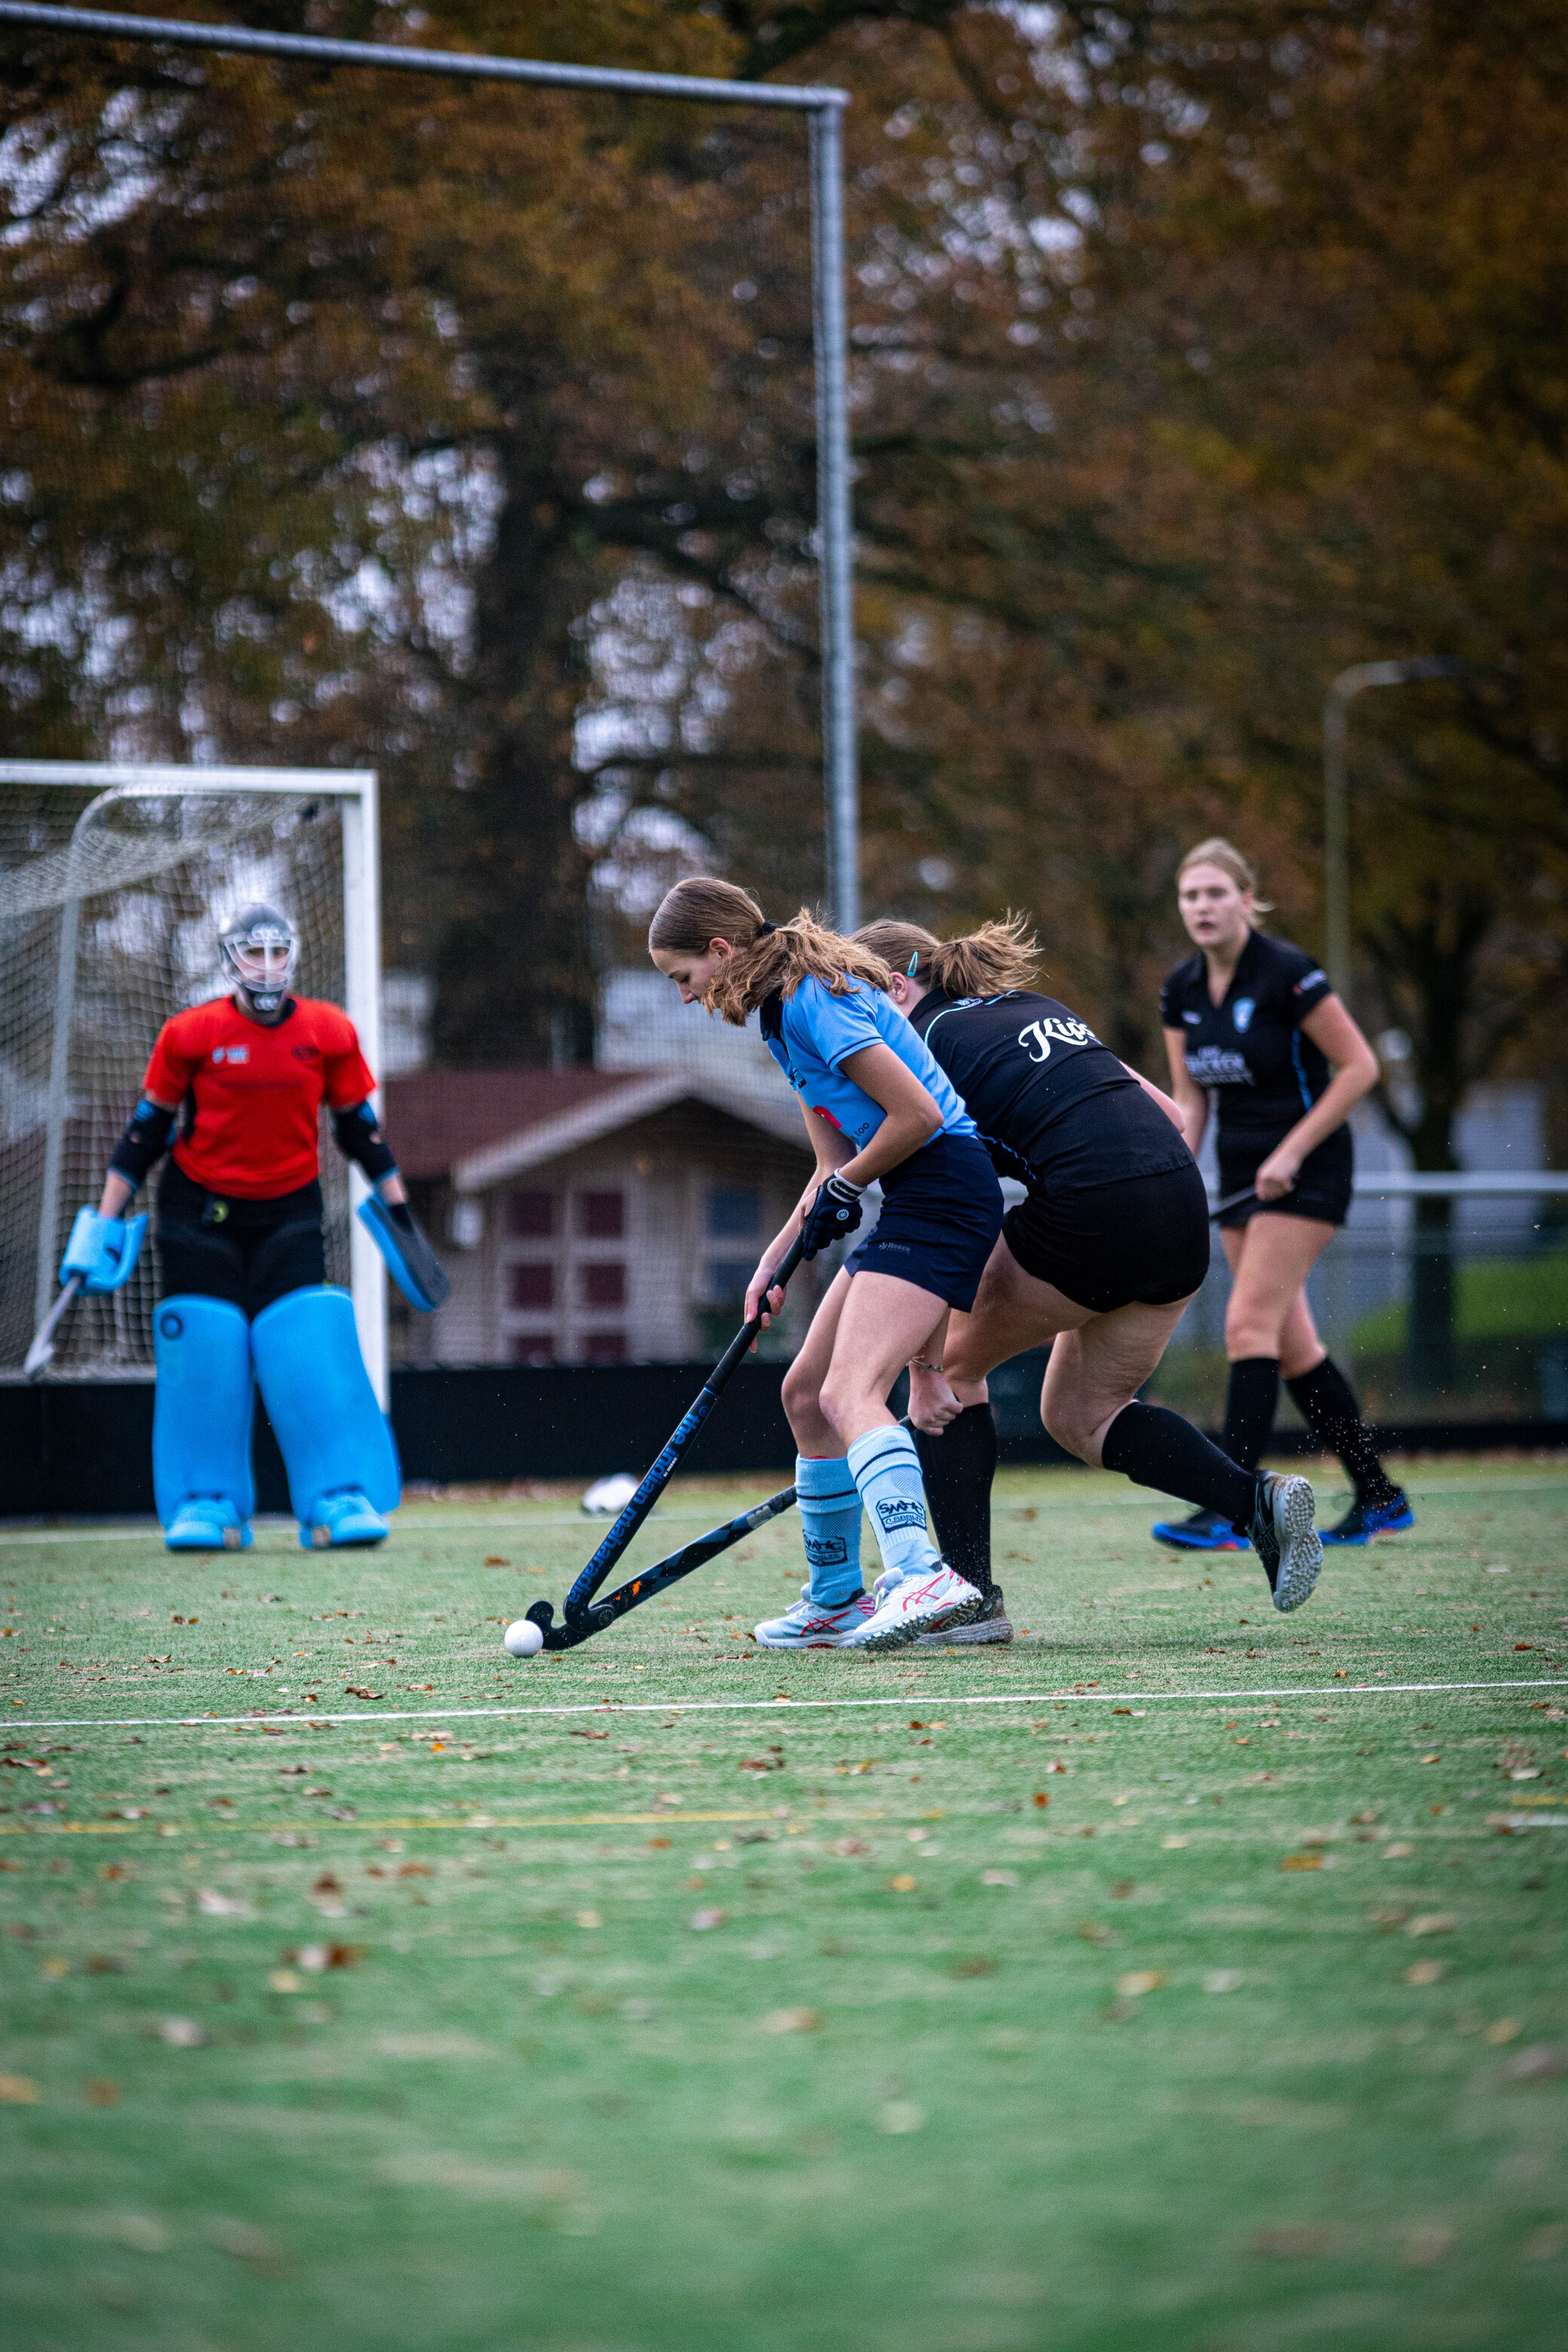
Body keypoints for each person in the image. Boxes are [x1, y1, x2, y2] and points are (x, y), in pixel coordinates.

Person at [856, 914, 1325, 1626]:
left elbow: (957, 1217)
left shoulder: (919, 1046)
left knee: (949, 1370)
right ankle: (1251, 1500)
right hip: (1178, 1205)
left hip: (1094, 1211)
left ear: (896, 988)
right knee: (1080, 1416)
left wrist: (921, 1367)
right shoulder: (1037, 1006)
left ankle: (970, 1600)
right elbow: (1168, 1113)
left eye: (856, 1003)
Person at [648, 878, 1006, 1652]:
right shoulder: (779, 1020)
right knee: (807, 1394)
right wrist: (772, 1261)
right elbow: (829, 1166)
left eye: (683, 977)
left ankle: (922, 1573)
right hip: (913, 1193)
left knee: (851, 1390)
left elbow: (919, 1117)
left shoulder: (813, 998)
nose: (684, 998)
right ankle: (835, 1600)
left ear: (719, 952)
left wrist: (849, 1185)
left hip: (945, 1190)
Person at [59, 903, 446, 1553]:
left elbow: (362, 1133)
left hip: (290, 1211)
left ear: (292, 955)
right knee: (207, 1348)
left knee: (306, 1342)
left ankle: (335, 1497)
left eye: (276, 951)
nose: (266, 964)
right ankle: (207, 1503)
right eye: (253, 951)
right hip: (197, 1214)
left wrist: (403, 1216)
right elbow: (143, 1136)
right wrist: (102, 1222)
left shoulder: (329, 1031)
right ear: (230, 957)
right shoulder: (189, 1033)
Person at [1156, 838, 1411, 1548]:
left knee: (1246, 1328)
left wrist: (1292, 1151)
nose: (1201, 907)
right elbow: (1192, 1098)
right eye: (1189, 896)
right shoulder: (1180, 988)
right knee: (1291, 1347)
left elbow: (1359, 1067)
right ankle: (1381, 1497)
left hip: (1308, 1172)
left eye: (1214, 893)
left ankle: (1233, 1506)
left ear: (1245, 899)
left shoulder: (1287, 972)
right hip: (1242, 1179)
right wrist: (1174, 1175)